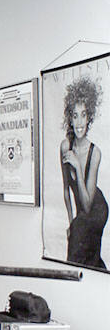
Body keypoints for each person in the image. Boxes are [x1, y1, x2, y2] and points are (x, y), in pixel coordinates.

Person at [60, 76, 108, 269]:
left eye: (84, 115)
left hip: (96, 208)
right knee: (77, 237)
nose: (79, 122)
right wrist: (71, 222)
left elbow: (87, 205)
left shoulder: (95, 153)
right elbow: (66, 190)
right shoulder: (65, 146)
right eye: (75, 115)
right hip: (81, 210)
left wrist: (78, 168)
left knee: (82, 251)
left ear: (90, 117)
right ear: (69, 118)